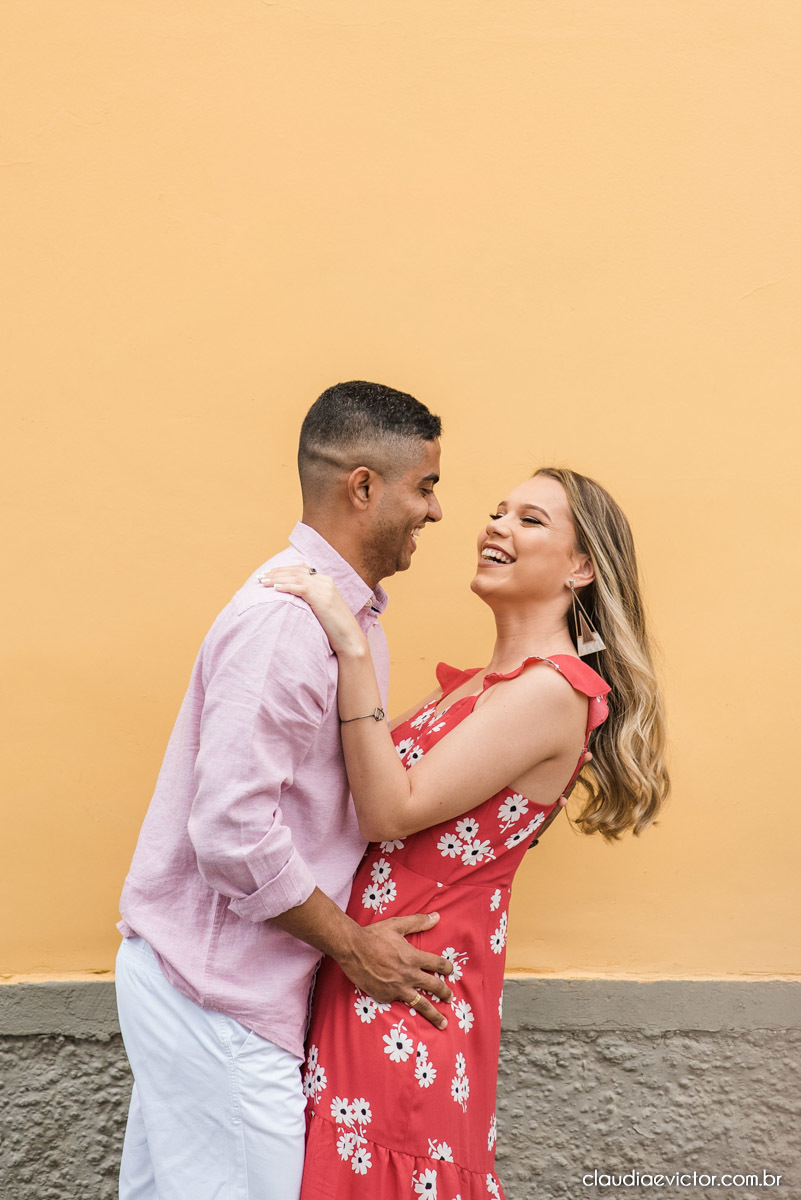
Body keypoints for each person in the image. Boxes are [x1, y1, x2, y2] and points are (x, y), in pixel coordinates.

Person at [260, 466, 670, 1199]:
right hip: (369, 969)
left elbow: (387, 811)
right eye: (497, 511)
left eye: (530, 520)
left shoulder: (552, 689)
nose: (496, 526)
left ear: (581, 568)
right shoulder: (474, 686)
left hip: (409, 996)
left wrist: (350, 643)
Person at [114, 381, 459, 1200]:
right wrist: (354, 947)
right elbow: (231, 834)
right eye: (425, 486)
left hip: (221, 994)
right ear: (363, 486)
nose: (436, 511)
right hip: (217, 996)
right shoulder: (287, 622)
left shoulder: (342, 620)